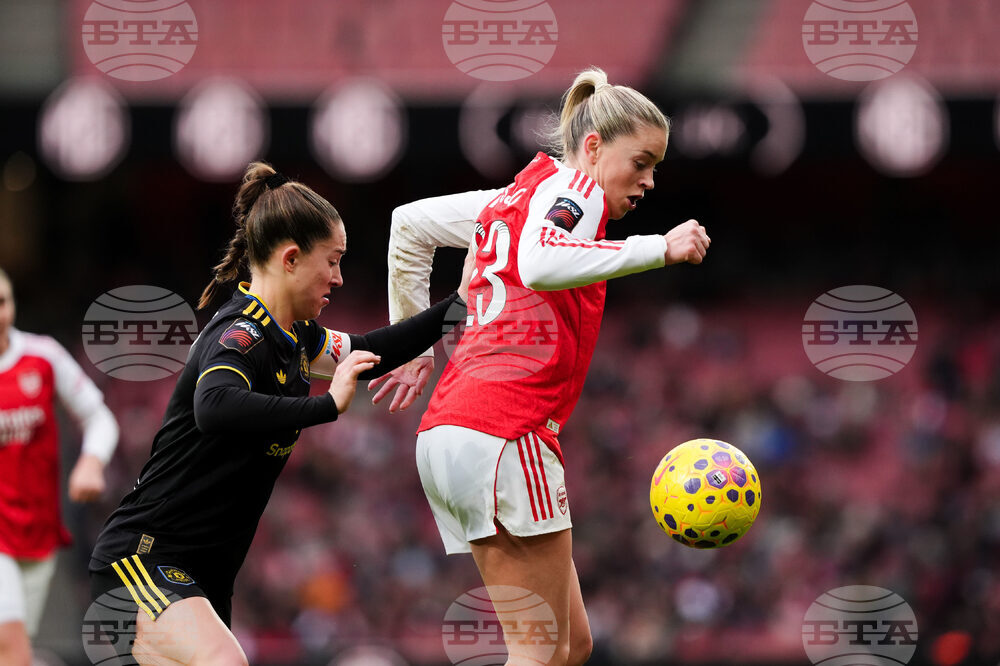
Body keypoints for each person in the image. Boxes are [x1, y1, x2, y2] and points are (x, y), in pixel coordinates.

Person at [371, 68, 710, 665]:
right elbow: (540, 259)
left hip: (451, 431)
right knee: (537, 651)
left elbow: (408, 226)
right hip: (506, 430)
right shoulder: (573, 192)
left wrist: (413, 349)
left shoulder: (511, 199)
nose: (650, 181)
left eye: (656, 166)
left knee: (569, 646)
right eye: (642, 162)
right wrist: (660, 247)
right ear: (595, 147)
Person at [89, 163, 471, 665]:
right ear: (291, 258)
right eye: (332, 261)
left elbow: (369, 348)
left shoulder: (296, 339)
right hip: (142, 560)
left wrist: (460, 304)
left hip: (199, 577)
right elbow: (214, 406)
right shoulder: (240, 335)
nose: (337, 277)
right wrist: (326, 404)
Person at [0, 267, 119, 666]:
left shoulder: (43, 356)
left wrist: (90, 461)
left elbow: (99, 418)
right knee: (9, 645)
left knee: (14, 649)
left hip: (38, 530)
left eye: (2, 301)